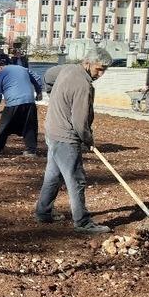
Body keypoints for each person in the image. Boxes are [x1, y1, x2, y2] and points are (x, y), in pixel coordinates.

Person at [35, 48, 113, 234]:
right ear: (88, 63)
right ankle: (83, 222)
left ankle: (43, 212)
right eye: (99, 69)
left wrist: (51, 92)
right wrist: (88, 139)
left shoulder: (68, 69)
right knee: (76, 179)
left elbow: (48, 75)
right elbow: (80, 121)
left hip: (52, 131)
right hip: (65, 137)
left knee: (53, 175)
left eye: (104, 70)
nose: (100, 74)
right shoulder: (83, 85)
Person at [0, 62, 44, 156]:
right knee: (29, 126)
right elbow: (37, 78)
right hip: (29, 102)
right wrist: (39, 92)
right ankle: (31, 151)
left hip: (13, 103)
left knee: (3, 127)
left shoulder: (0, 74)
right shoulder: (22, 68)